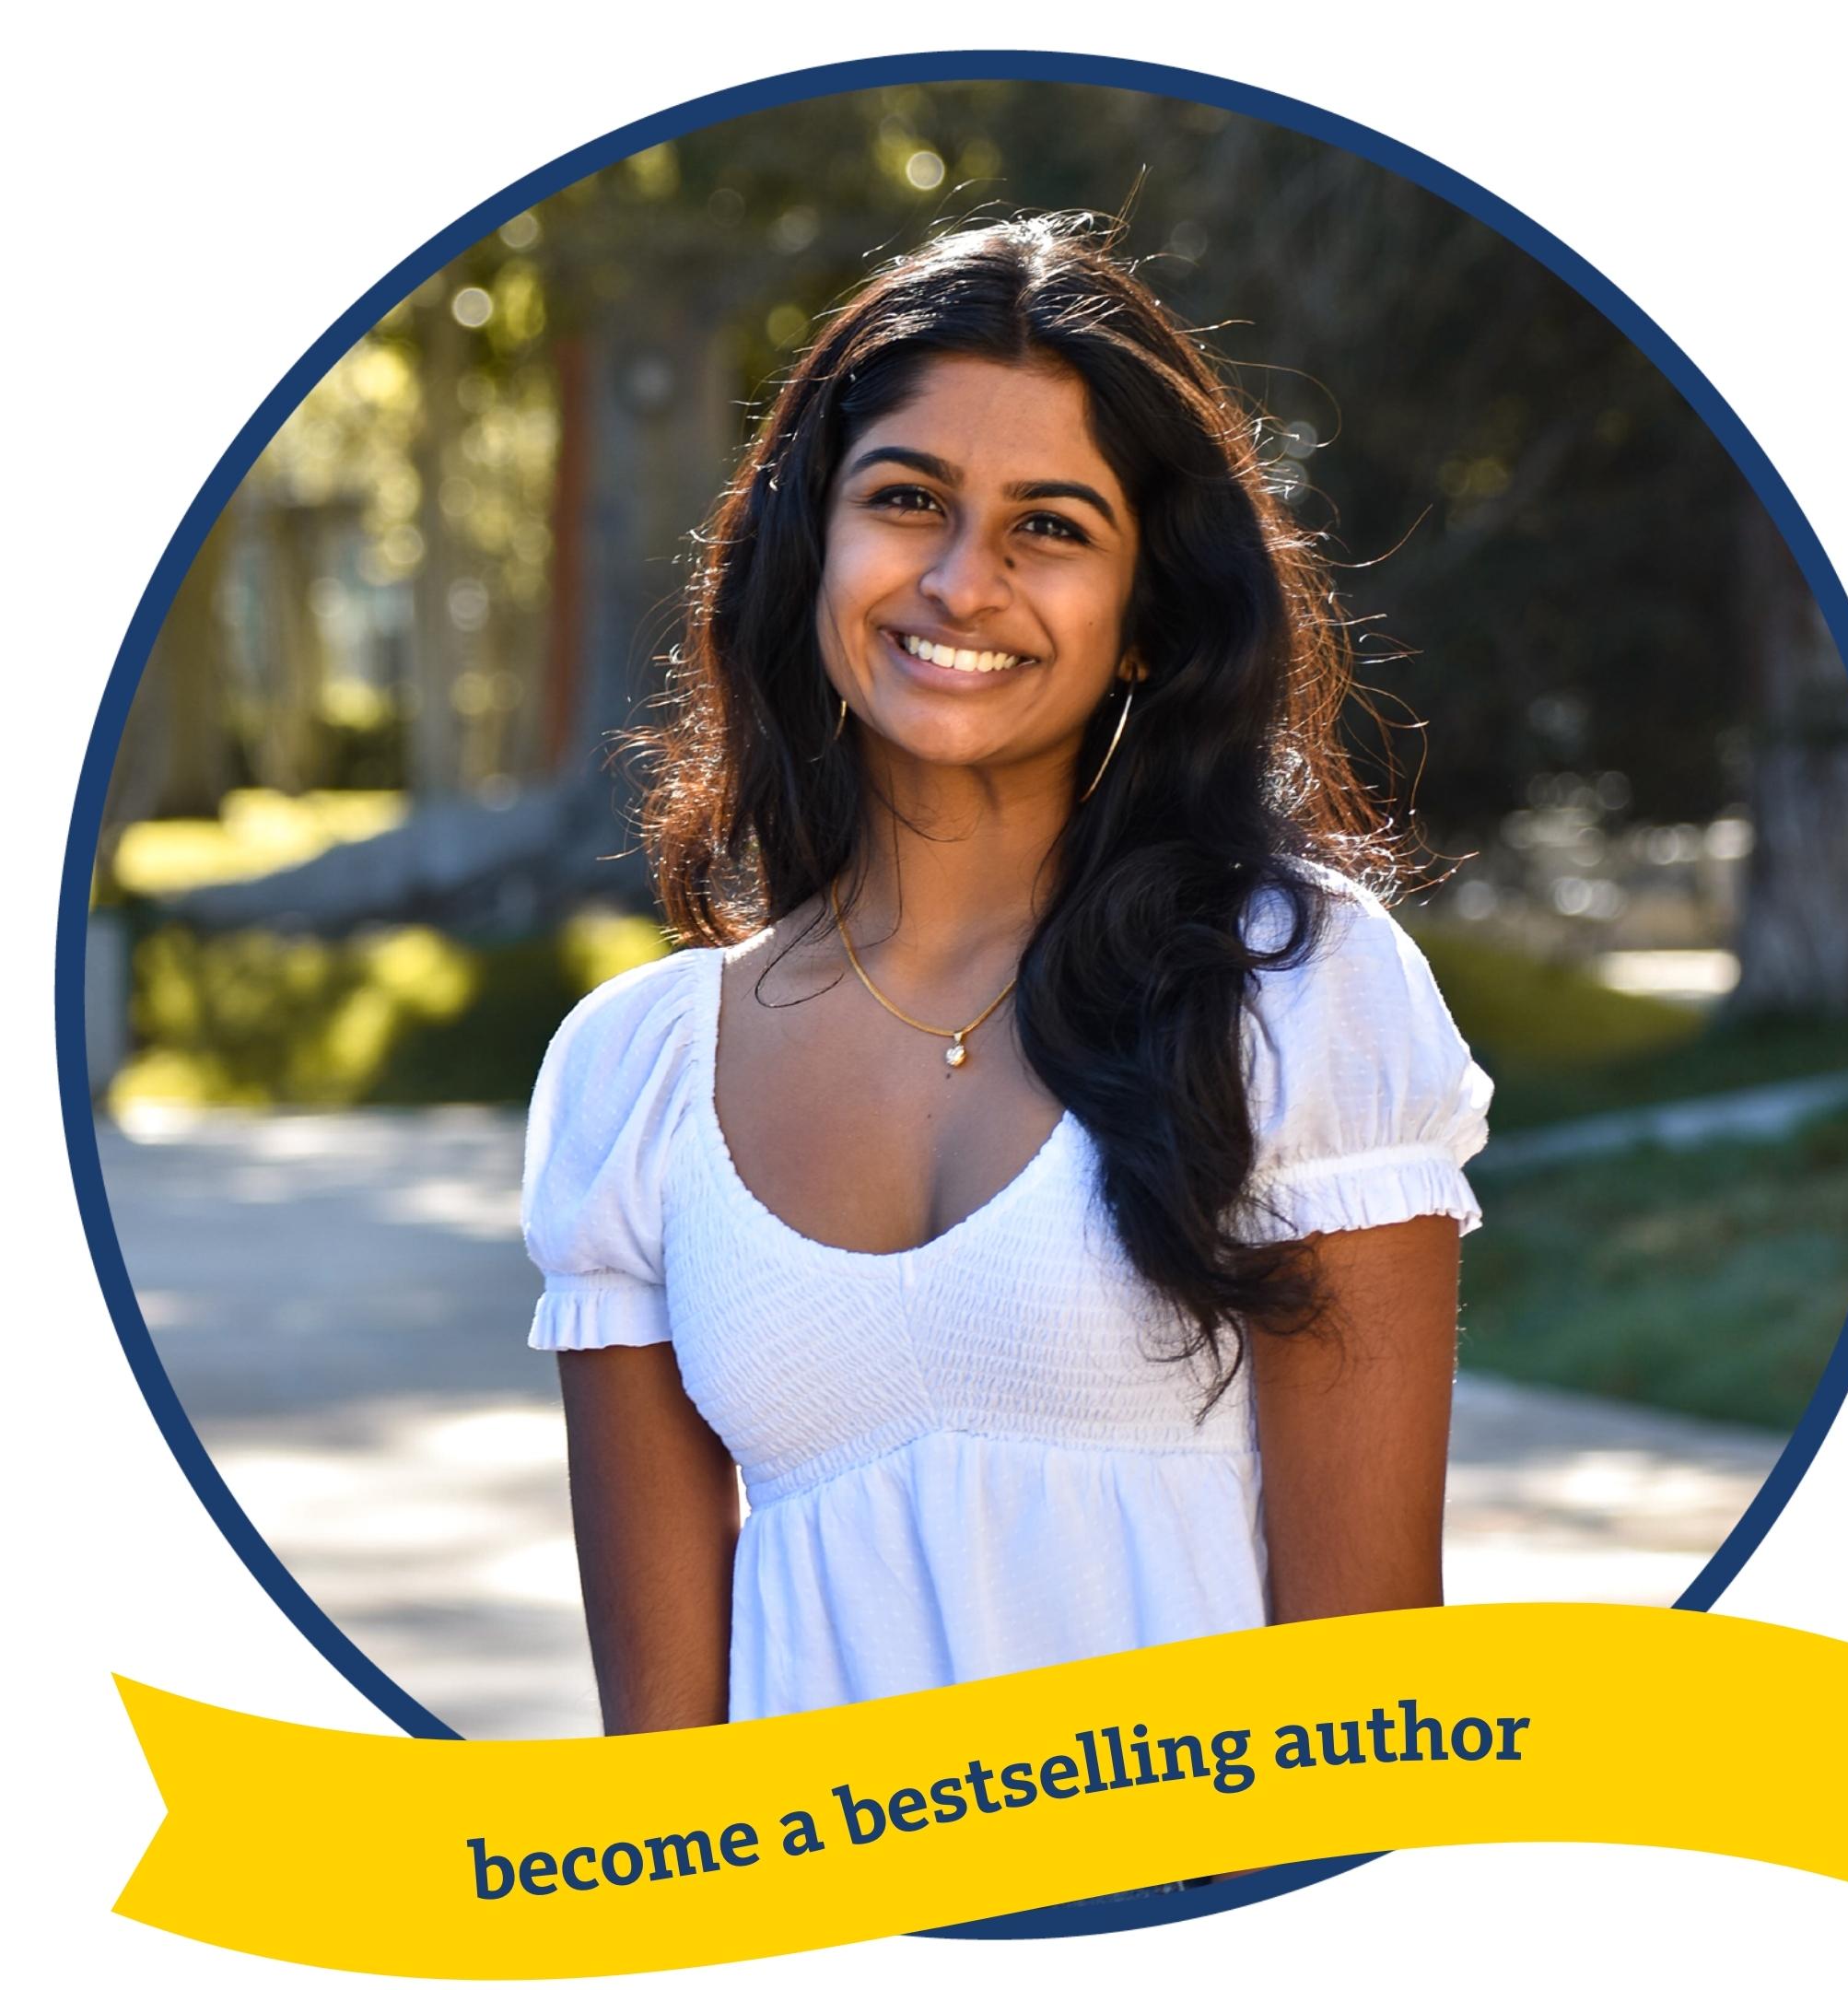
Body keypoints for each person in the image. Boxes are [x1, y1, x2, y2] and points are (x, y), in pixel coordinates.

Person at [521, 212, 1492, 1739]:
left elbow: (1371, 1702)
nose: (964, 582)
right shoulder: (634, 1074)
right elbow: (660, 1771)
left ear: (1139, 624)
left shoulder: (1297, 997)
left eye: (1052, 524)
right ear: (814, 545)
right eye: (908, 499)